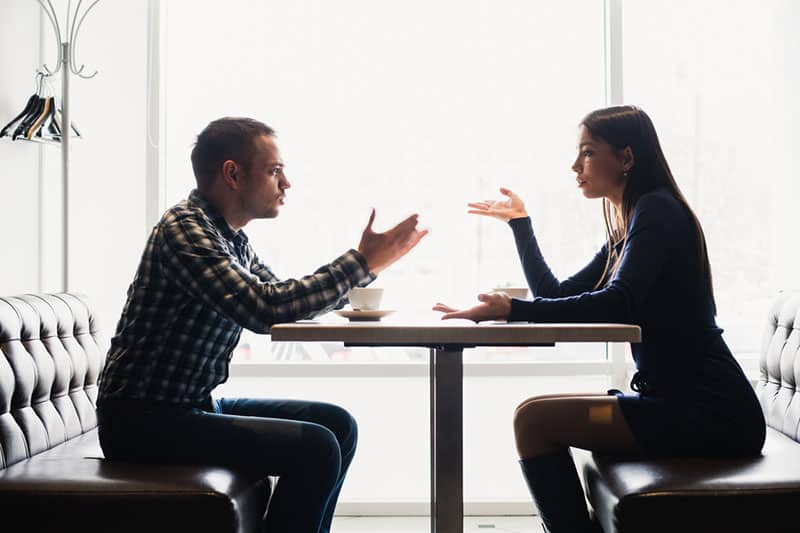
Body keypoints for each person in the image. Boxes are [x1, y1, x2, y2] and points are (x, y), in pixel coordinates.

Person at [433, 105, 766, 532]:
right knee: (533, 414)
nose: (576, 165)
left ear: (627, 158)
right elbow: (556, 295)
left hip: (708, 415)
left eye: (588, 152)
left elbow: (618, 303)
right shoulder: (630, 224)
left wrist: (512, 310)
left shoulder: (657, 211)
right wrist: (520, 223)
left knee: (534, 422)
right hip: (674, 407)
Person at [96, 117, 428, 533]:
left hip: (192, 406)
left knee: (338, 425)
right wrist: (360, 263)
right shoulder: (185, 230)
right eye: (274, 171)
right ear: (233, 174)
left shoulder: (230, 238)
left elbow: (285, 299)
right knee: (317, 448)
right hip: (143, 422)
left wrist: (368, 269)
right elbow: (262, 308)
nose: (286, 183)